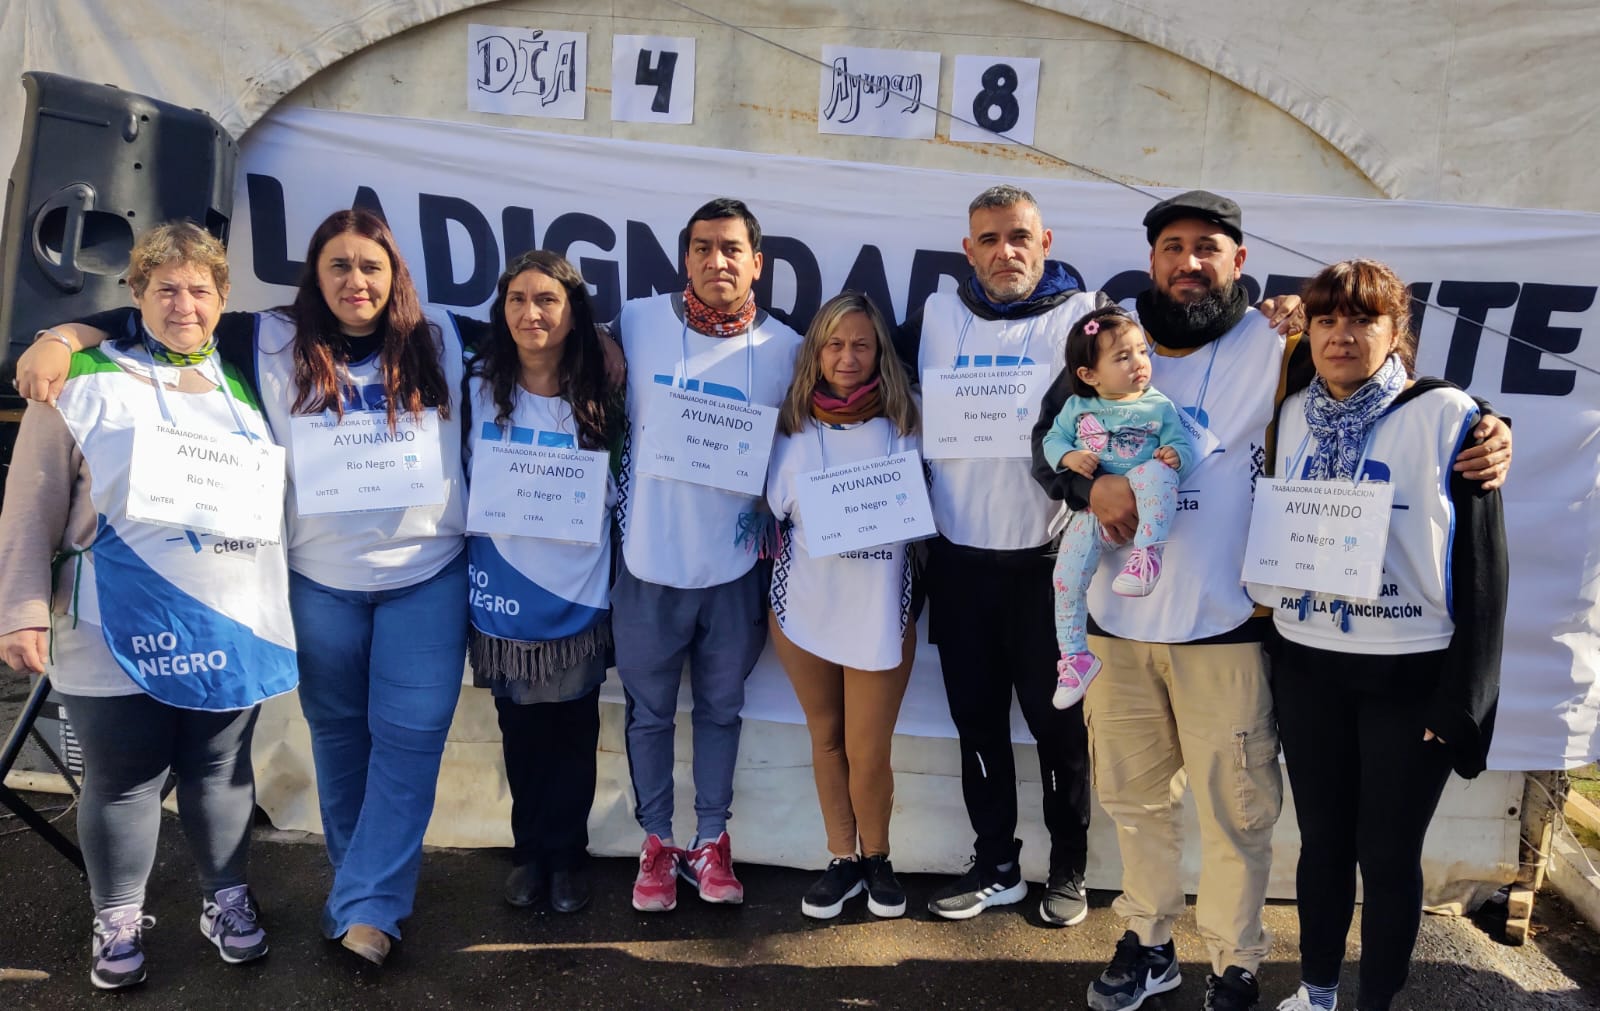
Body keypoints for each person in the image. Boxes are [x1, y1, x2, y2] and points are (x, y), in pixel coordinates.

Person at [1028, 191, 1514, 1011]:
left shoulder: (1278, 341)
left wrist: (1488, 427)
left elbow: (1381, 391)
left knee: (1236, 813)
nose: (1189, 263)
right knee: (1136, 804)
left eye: (1208, 248)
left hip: (1229, 630)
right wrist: (1091, 486)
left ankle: (1235, 959)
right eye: (1173, 247)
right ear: (1151, 260)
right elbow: (1048, 453)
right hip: (1118, 627)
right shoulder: (1108, 342)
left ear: (1238, 262)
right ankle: (1148, 940)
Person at [13, 208, 470, 968]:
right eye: (338, 266)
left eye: (371, 267)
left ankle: (368, 906)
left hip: (422, 577)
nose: (356, 281)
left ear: (396, 276)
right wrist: (58, 336)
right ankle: (357, 888)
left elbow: (548, 334)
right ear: (313, 278)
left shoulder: (447, 336)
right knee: (339, 746)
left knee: (408, 741)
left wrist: (607, 358)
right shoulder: (266, 338)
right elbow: (155, 309)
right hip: (316, 584)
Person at [0, 222, 297, 989]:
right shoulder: (82, 378)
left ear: (222, 298)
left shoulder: (245, 378)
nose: (184, 303)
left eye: (200, 288)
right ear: (135, 295)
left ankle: (226, 896)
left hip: (229, 619)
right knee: (123, 776)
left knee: (221, 770)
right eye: (165, 287)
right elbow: (29, 505)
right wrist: (21, 608)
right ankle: (119, 914)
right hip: (111, 622)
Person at [1246, 260, 1505, 1011]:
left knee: (1387, 856)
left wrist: (1464, 700)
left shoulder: (1451, 414)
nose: (1342, 335)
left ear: (1397, 333)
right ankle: (1317, 990)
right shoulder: (1292, 410)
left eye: (1362, 320)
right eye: (1327, 320)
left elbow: (1485, 566)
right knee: (1323, 844)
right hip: (1310, 667)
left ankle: (1375, 1003)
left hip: (1409, 674)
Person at [611, 198, 802, 912]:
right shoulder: (636, 322)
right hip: (647, 565)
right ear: (683, 258)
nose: (715, 262)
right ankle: (657, 843)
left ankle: (711, 840)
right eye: (701, 248)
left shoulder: (785, 348)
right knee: (649, 715)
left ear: (757, 262)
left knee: (721, 711)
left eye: (730, 249)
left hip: (733, 573)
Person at [462, 250, 621, 915]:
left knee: (574, 733)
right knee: (522, 733)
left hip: (578, 593)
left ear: (571, 311)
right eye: (518, 299)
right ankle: (531, 851)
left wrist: (606, 342)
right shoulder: (474, 382)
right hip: (505, 597)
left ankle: (567, 857)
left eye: (548, 300)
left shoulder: (605, 389)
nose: (532, 312)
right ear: (501, 310)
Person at [765, 292, 922, 920]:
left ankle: (878, 857)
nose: (848, 356)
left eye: (861, 344)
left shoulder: (908, 425)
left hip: (880, 608)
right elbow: (772, 511)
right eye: (834, 344)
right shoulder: (791, 429)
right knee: (826, 739)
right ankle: (842, 859)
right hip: (804, 606)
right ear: (815, 352)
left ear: (880, 350)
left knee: (868, 747)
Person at [1039, 307, 1193, 709]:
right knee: (1064, 579)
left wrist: (1175, 455)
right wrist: (1070, 459)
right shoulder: (1075, 406)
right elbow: (1051, 441)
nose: (1139, 364)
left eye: (1142, 352)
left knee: (1157, 473)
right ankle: (1075, 656)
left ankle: (1148, 556)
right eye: (1123, 357)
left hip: (1145, 504)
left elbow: (1184, 446)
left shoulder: (1158, 405)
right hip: (1092, 516)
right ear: (1089, 375)